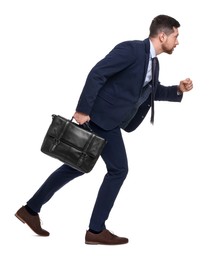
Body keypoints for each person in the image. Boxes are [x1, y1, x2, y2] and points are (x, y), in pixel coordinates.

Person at [15, 14, 193, 245]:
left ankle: (30, 209)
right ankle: (96, 230)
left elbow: (152, 91)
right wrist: (82, 110)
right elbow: (98, 73)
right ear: (162, 35)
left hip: (109, 121)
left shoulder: (154, 62)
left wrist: (178, 89)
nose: (177, 41)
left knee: (76, 166)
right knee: (118, 170)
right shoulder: (131, 50)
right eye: (176, 36)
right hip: (99, 117)